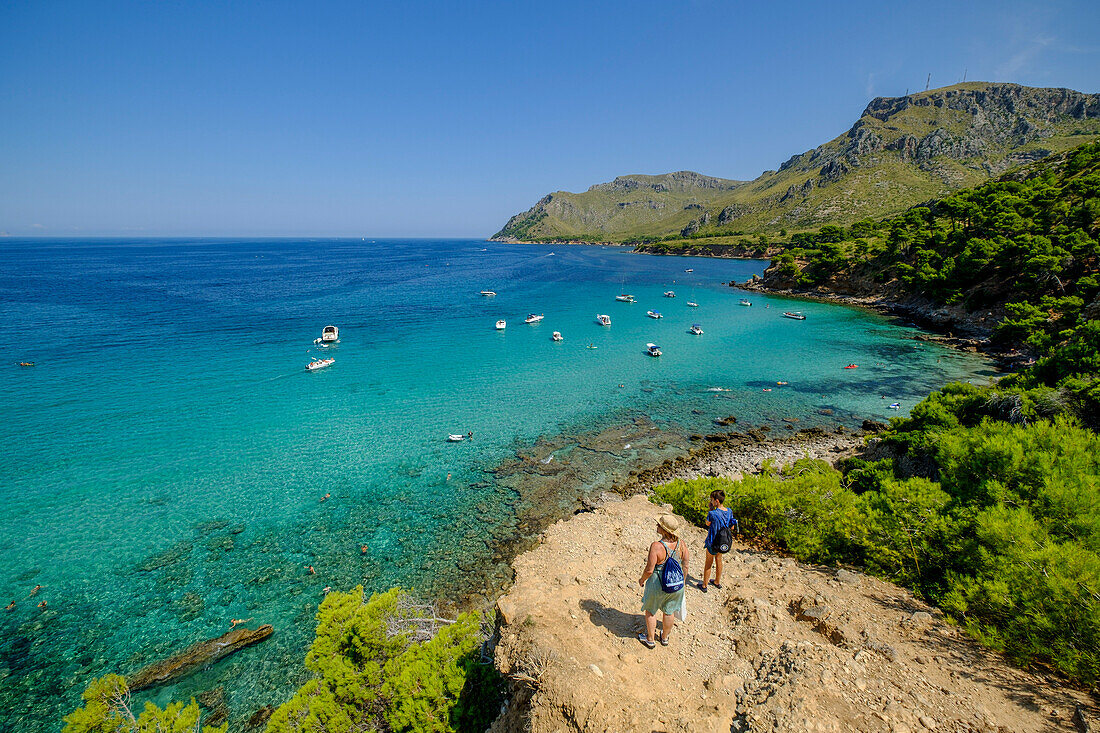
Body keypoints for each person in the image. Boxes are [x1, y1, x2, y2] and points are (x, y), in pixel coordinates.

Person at [638, 514, 689, 648]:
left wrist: (642, 579)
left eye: (659, 525)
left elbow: (649, 569)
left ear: (665, 530)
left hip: (658, 584)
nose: (657, 526)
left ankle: (650, 639)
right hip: (676, 585)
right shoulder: (681, 544)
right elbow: (686, 564)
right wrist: (682, 581)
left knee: (650, 610)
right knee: (669, 611)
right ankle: (664, 638)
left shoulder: (656, 546)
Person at [700, 489, 735, 592]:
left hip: (713, 541)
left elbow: (707, 523)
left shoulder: (713, 513)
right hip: (723, 541)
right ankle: (717, 581)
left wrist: (710, 510)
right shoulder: (729, 511)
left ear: (717, 501)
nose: (711, 502)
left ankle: (704, 585)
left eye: (712, 500)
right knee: (719, 560)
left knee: (708, 563)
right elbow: (732, 527)